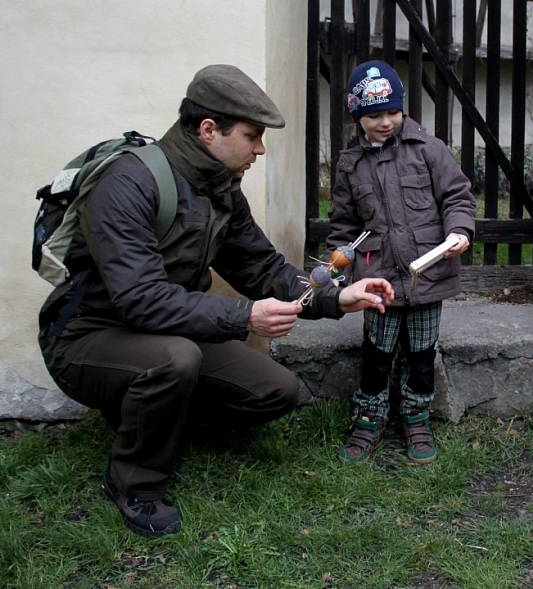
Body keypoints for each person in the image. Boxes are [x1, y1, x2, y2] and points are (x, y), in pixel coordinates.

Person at [37, 64, 395, 537]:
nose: (260, 149)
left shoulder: (221, 189)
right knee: (174, 360)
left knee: (277, 391)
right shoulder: (127, 184)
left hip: (166, 333)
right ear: (209, 130)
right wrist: (245, 315)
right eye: (252, 136)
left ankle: (149, 419)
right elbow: (139, 299)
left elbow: (262, 268)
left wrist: (335, 299)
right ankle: (135, 485)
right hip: (89, 336)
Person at [327, 60, 475, 464]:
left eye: (393, 111)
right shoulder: (349, 164)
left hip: (429, 271)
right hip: (378, 278)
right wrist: (339, 262)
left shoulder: (428, 149)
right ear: (358, 116)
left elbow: (457, 196)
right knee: (377, 352)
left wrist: (459, 229)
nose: (387, 121)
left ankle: (416, 416)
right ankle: (368, 416)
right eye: (375, 115)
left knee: (422, 352)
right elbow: (343, 223)